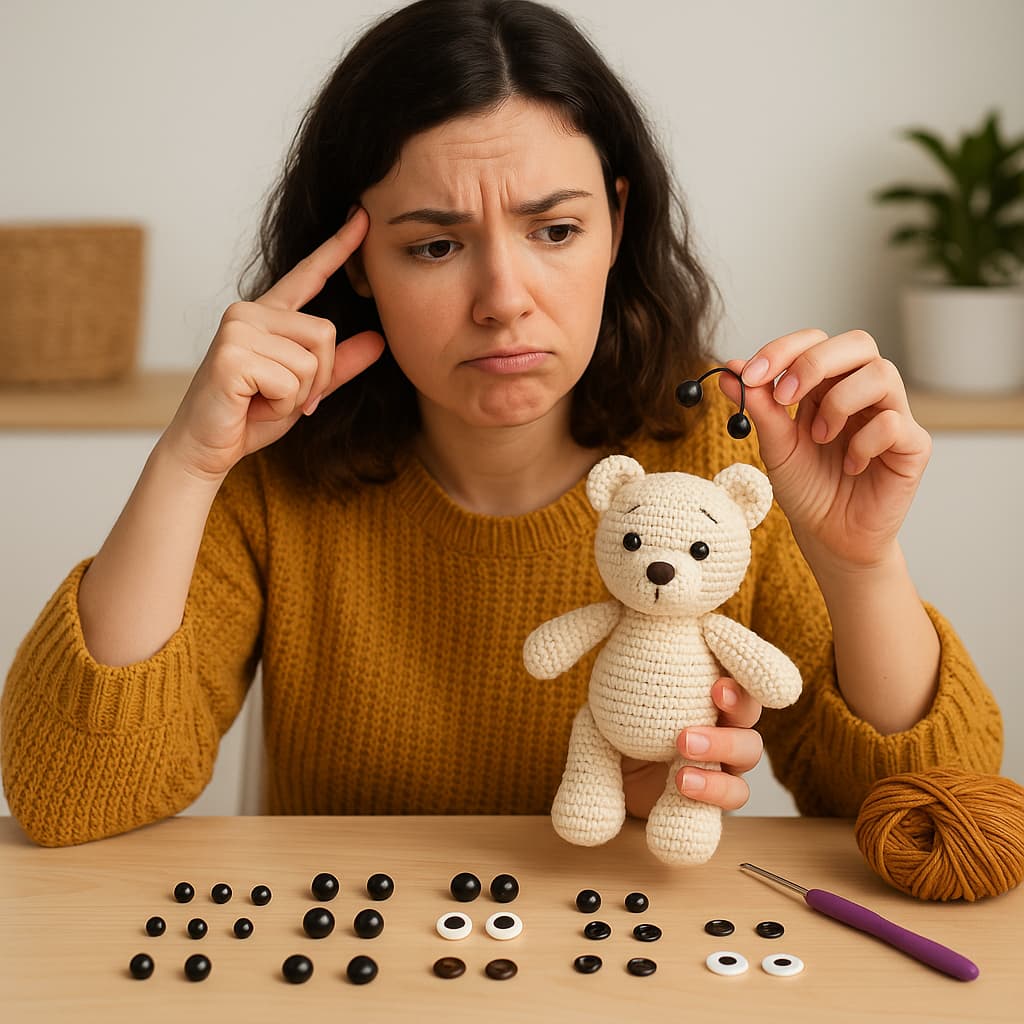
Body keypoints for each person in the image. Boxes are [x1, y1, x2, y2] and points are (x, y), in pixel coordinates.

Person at [0, 0, 1002, 847]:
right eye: (434, 246)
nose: (502, 298)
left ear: (616, 221)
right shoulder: (278, 469)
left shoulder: (727, 444)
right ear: (357, 262)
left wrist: (861, 566)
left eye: (555, 230)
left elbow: (944, 822)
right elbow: (69, 797)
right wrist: (185, 462)